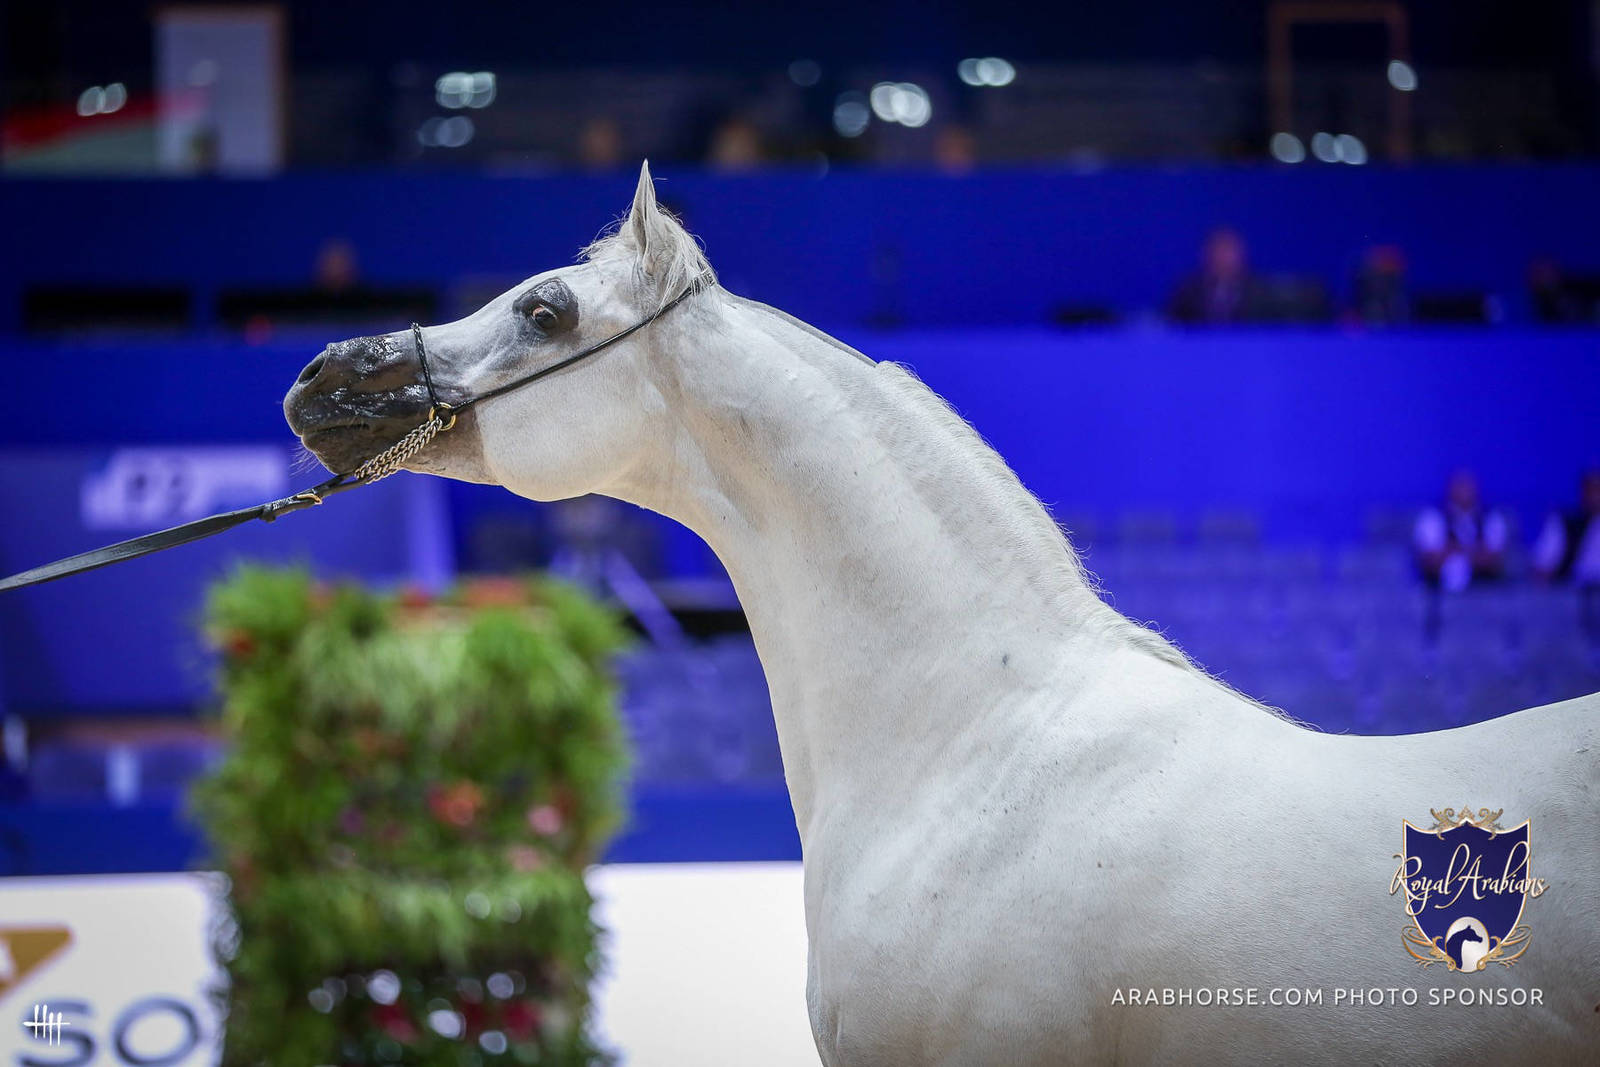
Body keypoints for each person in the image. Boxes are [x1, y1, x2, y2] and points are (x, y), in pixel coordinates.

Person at [1412, 469, 1508, 591]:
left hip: (1484, 587)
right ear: (1450, 489)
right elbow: (1431, 559)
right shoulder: (1433, 518)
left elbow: (1494, 559)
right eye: (1460, 487)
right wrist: (1474, 552)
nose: (1464, 492)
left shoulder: (1492, 518)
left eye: (1467, 487)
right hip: (1438, 587)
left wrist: (1455, 552)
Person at [1166, 227, 1270, 325]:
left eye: (1228, 251)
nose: (1223, 258)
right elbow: (1170, 322)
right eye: (1218, 251)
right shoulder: (1190, 291)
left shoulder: (1259, 292)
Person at [1532, 469, 1600, 587]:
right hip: (1571, 594)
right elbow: (1542, 566)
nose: (1596, 496)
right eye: (1592, 490)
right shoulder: (1564, 523)